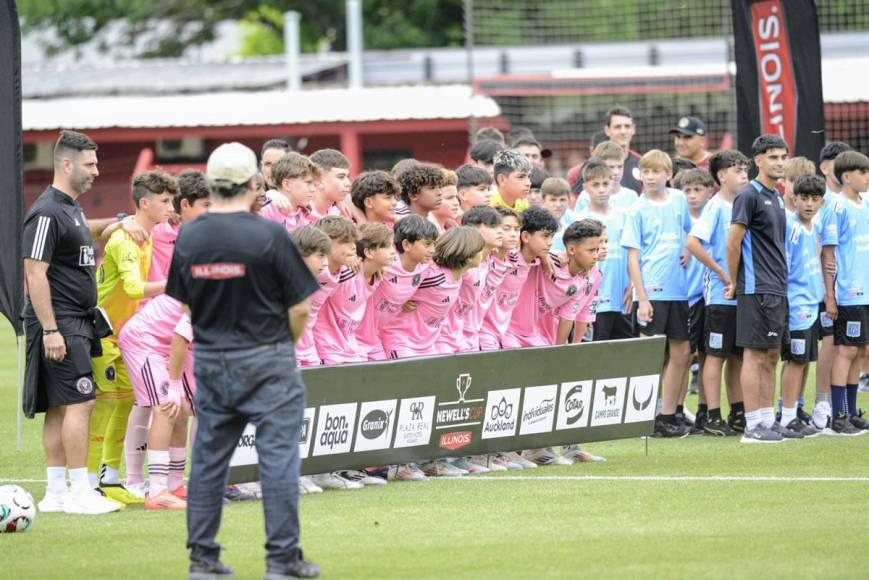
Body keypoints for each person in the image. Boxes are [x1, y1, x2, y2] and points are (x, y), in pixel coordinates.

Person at [166, 142, 320, 579]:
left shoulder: (191, 235)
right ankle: (282, 561)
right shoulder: (267, 234)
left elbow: (186, 306)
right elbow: (301, 308)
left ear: (211, 184)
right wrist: (281, 346)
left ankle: (202, 560)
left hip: (213, 359)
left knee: (210, 462)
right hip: (268, 357)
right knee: (278, 461)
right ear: (255, 183)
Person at [23, 130, 126, 515]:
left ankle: (55, 494)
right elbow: (34, 272)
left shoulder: (71, 208)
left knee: (60, 406)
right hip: (61, 323)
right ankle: (81, 492)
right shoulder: (47, 211)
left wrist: (115, 224)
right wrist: (51, 329)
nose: (97, 171)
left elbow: (79, 234)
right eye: (90, 164)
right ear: (67, 165)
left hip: (74, 321)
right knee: (81, 403)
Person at [88, 171, 175, 502]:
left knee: (125, 402)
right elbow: (135, 288)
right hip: (100, 330)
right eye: (164, 201)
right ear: (145, 203)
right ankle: (86, 483)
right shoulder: (126, 239)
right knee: (105, 406)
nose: (170, 208)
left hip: (124, 331)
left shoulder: (145, 233)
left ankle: (109, 479)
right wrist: (175, 282)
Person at [124, 169, 212, 497]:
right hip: (146, 337)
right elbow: (182, 333)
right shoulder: (164, 228)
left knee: (184, 409)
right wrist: (124, 221)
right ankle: (154, 489)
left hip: (170, 335)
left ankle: (175, 486)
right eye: (205, 205)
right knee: (165, 405)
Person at [622, 150, 692, 438]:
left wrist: (688, 247)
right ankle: (642, 416)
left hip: (679, 291)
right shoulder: (636, 210)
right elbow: (633, 258)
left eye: (655, 172)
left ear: (668, 175)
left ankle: (667, 414)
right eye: (645, 172)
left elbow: (689, 232)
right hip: (651, 292)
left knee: (682, 352)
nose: (650, 177)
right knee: (650, 356)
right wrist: (642, 298)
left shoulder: (678, 201)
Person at [725, 134, 790, 444]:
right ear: (758, 161)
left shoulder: (777, 196)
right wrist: (734, 280)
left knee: (772, 355)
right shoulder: (748, 195)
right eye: (773, 157)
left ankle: (767, 419)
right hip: (756, 287)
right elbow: (733, 241)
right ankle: (752, 426)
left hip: (777, 287)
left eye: (782, 156)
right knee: (754, 355)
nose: (779, 162)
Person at [685, 150, 749, 436]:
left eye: (746, 170)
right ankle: (712, 415)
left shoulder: (744, 204)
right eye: (738, 170)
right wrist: (722, 274)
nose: (744, 175)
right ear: (722, 176)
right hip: (720, 295)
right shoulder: (715, 207)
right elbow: (693, 243)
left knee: (737, 356)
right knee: (715, 355)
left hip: (742, 293)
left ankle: (738, 411)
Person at [820, 150, 869, 434]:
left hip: (866, 293)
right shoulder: (836, 206)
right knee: (846, 350)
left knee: (860, 349)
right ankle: (838, 414)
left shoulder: (865, 204)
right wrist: (830, 294)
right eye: (863, 173)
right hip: (848, 291)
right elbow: (828, 252)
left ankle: (851, 411)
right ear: (847, 176)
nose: (867, 178)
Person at [384, 226, 484, 360]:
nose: (483, 254)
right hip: (403, 342)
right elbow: (399, 278)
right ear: (468, 258)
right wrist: (402, 299)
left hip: (428, 345)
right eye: (480, 251)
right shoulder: (434, 277)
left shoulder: (459, 276)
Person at [780, 175, 826, 437]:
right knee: (795, 361)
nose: (809, 204)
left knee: (806, 360)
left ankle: (795, 411)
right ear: (794, 198)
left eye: (814, 199)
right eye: (804, 198)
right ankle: (786, 416)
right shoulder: (791, 227)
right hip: (796, 304)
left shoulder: (816, 225)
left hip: (812, 301)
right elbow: (783, 266)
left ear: (821, 201)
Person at [260, 152, 320, 232]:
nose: (313, 189)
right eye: (308, 183)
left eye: (313, 184)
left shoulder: (309, 213)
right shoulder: (265, 211)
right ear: (287, 184)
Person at [574, 141, 639, 212]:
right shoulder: (586, 196)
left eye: (620, 166)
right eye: (611, 167)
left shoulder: (632, 196)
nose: (616, 172)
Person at [603, 106, 642, 193]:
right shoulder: (594, 164)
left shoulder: (642, 163)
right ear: (607, 130)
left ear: (633, 129)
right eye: (617, 127)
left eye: (627, 126)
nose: (623, 131)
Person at [309, 149, 352, 220]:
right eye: (341, 177)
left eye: (347, 177)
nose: (348, 183)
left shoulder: (343, 213)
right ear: (318, 181)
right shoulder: (299, 213)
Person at [490, 149, 532, 214]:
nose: (528, 183)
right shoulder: (488, 205)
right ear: (502, 180)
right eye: (521, 177)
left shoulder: (523, 202)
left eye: (528, 177)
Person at [542, 177, 576, 252]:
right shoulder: (536, 226)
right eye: (553, 200)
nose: (558, 204)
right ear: (543, 200)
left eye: (562, 200)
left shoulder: (572, 221)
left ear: (569, 200)